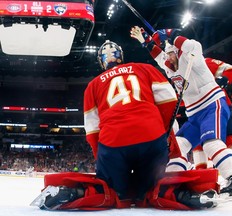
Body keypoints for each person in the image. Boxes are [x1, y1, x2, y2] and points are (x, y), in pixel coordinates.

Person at [33, 40, 218, 210]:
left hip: (113, 143)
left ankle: (77, 193)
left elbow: (91, 130)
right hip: (151, 137)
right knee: (147, 189)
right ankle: (180, 194)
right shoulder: (144, 68)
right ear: (121, 57)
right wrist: (164, 136)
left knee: (113, 192)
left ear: (102, 62)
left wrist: (102, 162)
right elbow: (169, 102)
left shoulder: (93, 85)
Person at [130, 26, 232, 196]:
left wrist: (171, 34)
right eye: (167, 54)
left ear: (178, 52)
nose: (168, 57)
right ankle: (175, 182)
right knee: (178, 147)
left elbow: (192, 45)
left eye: (171, 53)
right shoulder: (168, 65)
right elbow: (156, 55)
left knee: (211, 144)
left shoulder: (193, 55)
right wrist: (144, 40)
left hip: (211, 104)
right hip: (193, 114)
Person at [192, 58, 232, 190]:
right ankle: (203, 181)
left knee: (227, 140)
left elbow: (231, 69)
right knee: (198, 144)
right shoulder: (180, 70)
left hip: (218, 105)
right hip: (198, 110)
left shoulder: (203, 62)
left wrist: (222, 80)